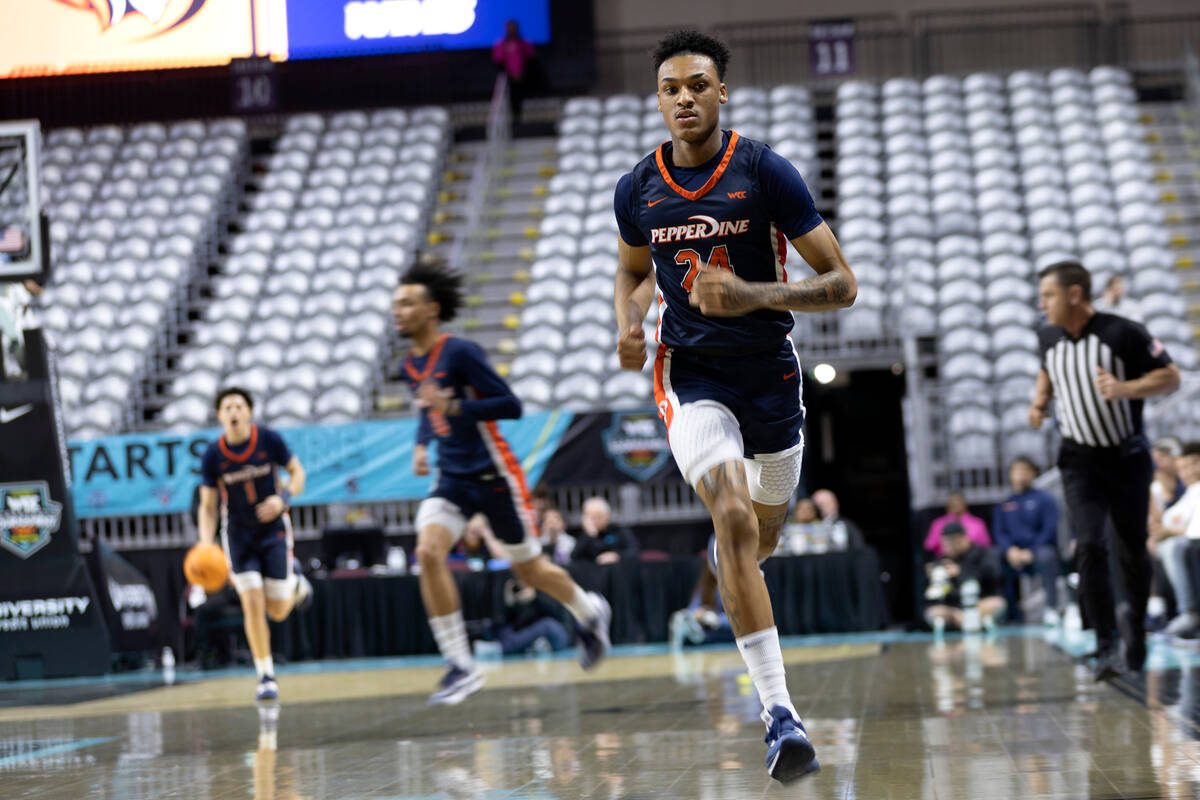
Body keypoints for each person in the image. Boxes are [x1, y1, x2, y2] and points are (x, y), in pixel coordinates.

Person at [611, 29, 856, 783]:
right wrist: (625, 322)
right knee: (734, 519)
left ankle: (738, 578)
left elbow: (842, 283)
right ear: (658, 101)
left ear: (722, 93)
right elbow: (632, 273)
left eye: (696, 85)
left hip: (771, 377)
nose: (682, 97)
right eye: (669, 88)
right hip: (692, 377)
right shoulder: (637, 190)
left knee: (762, 535)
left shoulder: (763, 172)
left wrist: (753, 294)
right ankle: (781, 716)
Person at [394, 261, 611, 705]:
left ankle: (589, 613)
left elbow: (509, 405)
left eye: (407, 302)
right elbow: (426, 408)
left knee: (529, 569)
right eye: (396, 303)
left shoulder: (460, 353)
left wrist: (455, 409)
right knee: (427, 551)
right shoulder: (410, 364)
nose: (397, 310)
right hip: (452, 478)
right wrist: (422, 443)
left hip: (495, 477)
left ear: (432, 310)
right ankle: (461, 665)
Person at [1029, 260, 1180, 679]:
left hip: (1127, 456)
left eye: (1049, 295)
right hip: (1079, 460)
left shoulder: (1123, 332)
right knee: (1090, 545)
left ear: (1075, 294)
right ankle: (1105, 643)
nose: (1042, 303)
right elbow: (1048, 368)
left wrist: (1126, 388)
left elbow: (1171, 377)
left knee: (1131, 550)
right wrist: (1039, 401)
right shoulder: (1046, 335)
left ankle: (1137, 632)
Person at [196, 387, 311, 703]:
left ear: (248, 412)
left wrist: (282, 498)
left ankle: (296, 582)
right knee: (251, 601)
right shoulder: (213, 455)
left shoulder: (269, 439)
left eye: (238, 405)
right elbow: (207, 506)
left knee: (277, 611)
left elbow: (298, 473)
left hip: (272, 530)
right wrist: (205, 543)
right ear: (220, 416)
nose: (233, 411)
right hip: (238, 534)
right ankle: (265, 675)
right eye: (227, 407)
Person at [992, 458, 1061, 625]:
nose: (1020, 475)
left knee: (1047, 555)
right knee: (994, 558)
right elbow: (999, 532)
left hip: (1037, 550)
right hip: (1014, 552)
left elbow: (1049, 529)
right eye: (1016, 471)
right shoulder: (1005, 503)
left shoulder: (1045, 499)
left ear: (1033, 474)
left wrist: (1032, 550)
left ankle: (1052, 608)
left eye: (1024, 471)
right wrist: (1010, 550)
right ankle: (1008, 612)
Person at [1148, 442, 1200, 639]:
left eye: (1190, 466)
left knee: (1174, 547)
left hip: (1190, 544)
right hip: (1181, 543)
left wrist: (1169, 532)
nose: (1186, 473)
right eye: (1182, 469)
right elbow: (1166, 520)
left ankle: (1189, 612)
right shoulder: (1189, 493)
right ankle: (1158, 610)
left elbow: (1192, 531)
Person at [924, 524, 1007, 632]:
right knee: (932, 613)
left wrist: (961, 572)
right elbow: (936, 595)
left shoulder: (983, 554)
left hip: (979, 605)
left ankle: (976, 620)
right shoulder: (944, 560)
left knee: (998, 604)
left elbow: (992, 575)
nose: (946, 548)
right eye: (944, 545)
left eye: (950, 544)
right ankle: (967, 621)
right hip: (955, 610)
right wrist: (936, 575)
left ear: (962, 539)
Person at [492, 19, 535, 131]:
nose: (511, 29)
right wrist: (510, 74)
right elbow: (498, 60)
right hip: (508, 78)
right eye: (509, 27)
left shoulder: (523, 43)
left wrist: (520, 73)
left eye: (513, 27)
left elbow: (530, 57)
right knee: (509, 99)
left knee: (519, 98)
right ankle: (511, 120)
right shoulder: (502, 44)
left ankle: (519, 118)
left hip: (522, 76)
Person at [569, 497, 639, 564]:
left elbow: (634, 551)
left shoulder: (619, 530)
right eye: (592, 517)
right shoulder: (585, 536)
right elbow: (574, 557)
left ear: (607, 516)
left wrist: (617, 556)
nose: (596, 521)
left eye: (599, 516)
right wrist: (589, 535)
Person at [924, 492, 991, 558]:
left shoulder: (977, 523)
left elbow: (986, 544)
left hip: (973, 561)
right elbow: (929, 545)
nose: (956, 505)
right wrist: (946, 542)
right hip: (945, 560)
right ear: (948, 505)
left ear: (964, 504)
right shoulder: (938, 523)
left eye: (958, 502)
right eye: (952, 503)